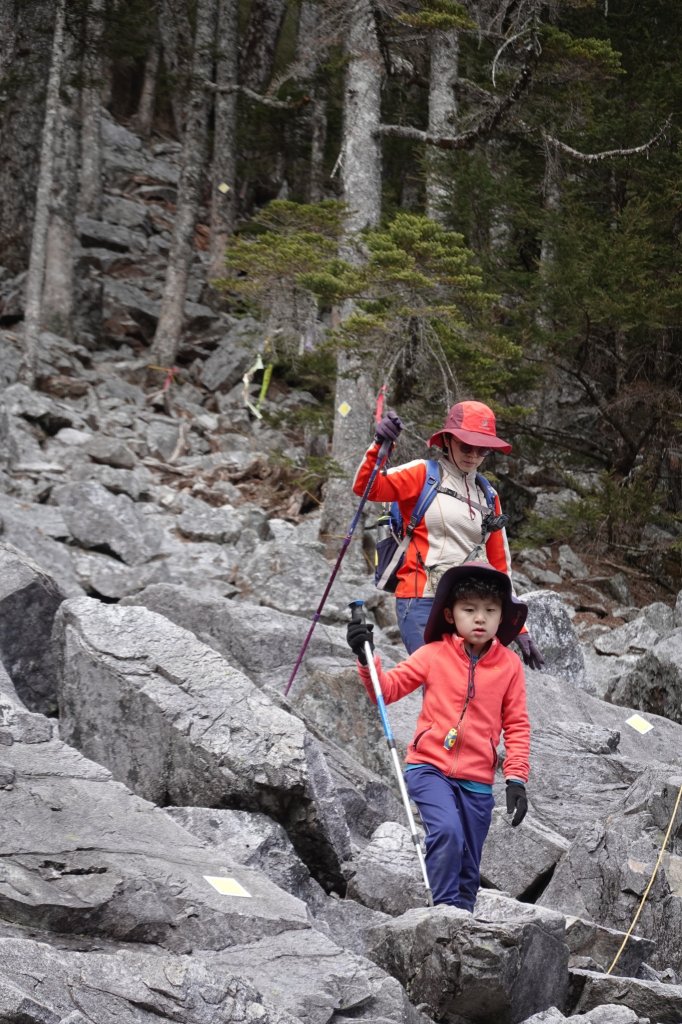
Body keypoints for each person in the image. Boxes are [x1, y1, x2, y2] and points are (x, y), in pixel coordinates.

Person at [346, 561, 530, 911]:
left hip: (477, 779)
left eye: (490, 611)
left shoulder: (509, 666)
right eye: (469, 609)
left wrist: (516, 779)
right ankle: (442, 913)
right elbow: (386, 691)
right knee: (446, 832)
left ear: (502, 617)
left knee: (469, 863)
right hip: (428, 767)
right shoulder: (432, 654)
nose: (480, 619)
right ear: (450, 614)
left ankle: (461, 921)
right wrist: (364, 657)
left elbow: (517, 725)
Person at [352, 399, 543, 667]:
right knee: (440, 682)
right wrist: (379, 446)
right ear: (448, 440)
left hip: (468, 607)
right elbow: (366, 488)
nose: (473, 455)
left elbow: (499, 565)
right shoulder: (422, 474)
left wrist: (519, 628)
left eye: (483, 450)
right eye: (466, 446)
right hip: (421, 602)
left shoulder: (489, 496)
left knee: (468, 691)